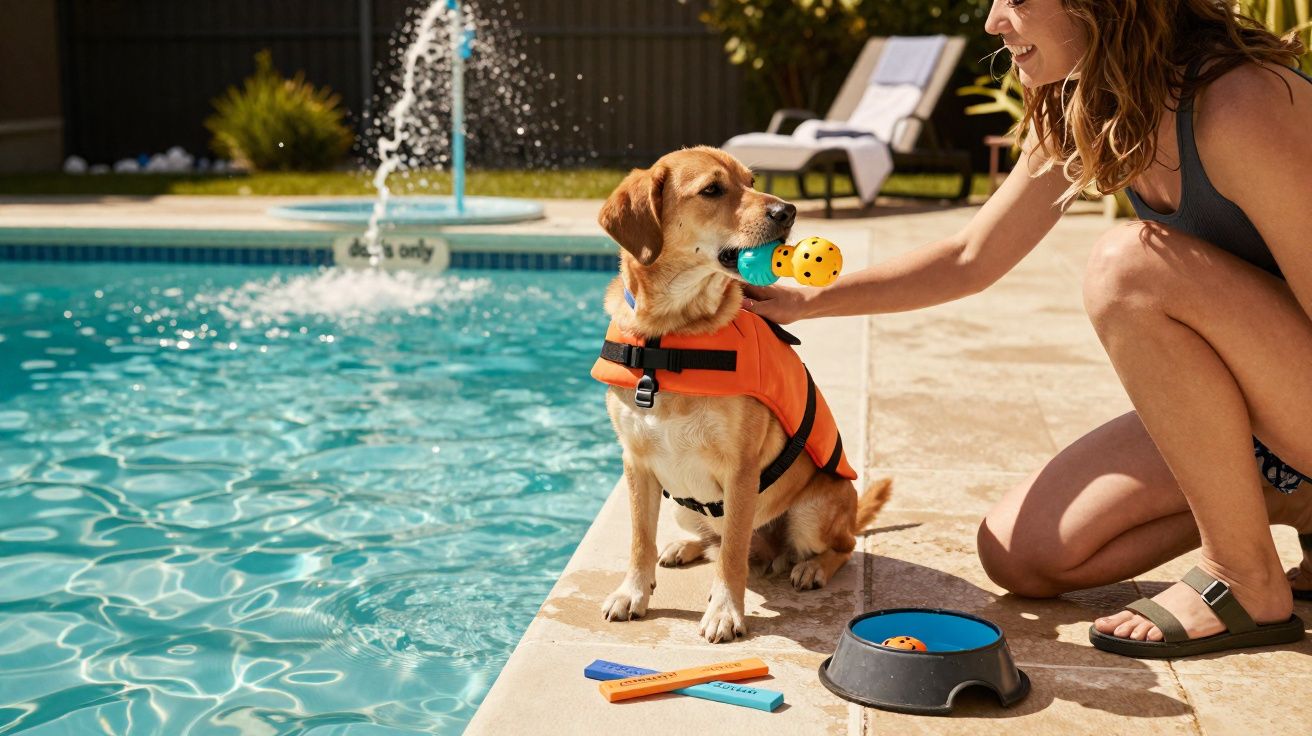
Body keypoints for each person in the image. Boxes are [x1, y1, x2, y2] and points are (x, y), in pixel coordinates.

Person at [743, 0, 1312, 657]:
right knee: (1021, 552)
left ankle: (1242, 576)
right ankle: (1293, 502)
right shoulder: (1092, 104)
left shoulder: (1241, 105)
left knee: (1128, 268)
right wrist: (804, 301)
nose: (991, 21)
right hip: (1272, 412)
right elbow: (969, 258)